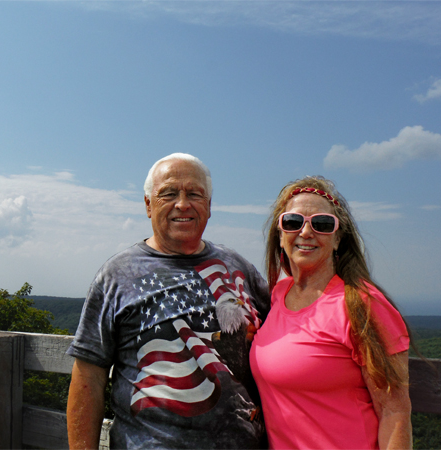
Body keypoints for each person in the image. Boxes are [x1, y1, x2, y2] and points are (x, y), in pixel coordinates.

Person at [66, 153, 270, 449]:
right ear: (148, 205)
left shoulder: (239, 267)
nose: (183, 204)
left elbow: (285, 328)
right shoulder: (117, 275)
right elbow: (89, 378)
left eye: (194, 194)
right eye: (169, 194)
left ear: (209, 206)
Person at [250, 176, 412, 449]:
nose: (305, 232)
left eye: (322, 224)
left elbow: (394, 412)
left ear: (338, 239)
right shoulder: (278, 295)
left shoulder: (362, 304)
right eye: (293, 222)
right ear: (280, 235)